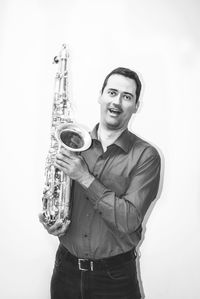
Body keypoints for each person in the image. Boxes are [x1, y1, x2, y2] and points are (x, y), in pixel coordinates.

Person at [39, 67, 161, 299]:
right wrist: (50, 216)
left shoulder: (146, 156)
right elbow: (57, 189)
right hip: (66, 270)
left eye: (127, 97)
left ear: (136, 106)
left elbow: (129, 220)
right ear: (101, 95)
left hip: (115, 278)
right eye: (112, 92)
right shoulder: (73, 142)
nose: (117, 102)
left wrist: (85, 177)